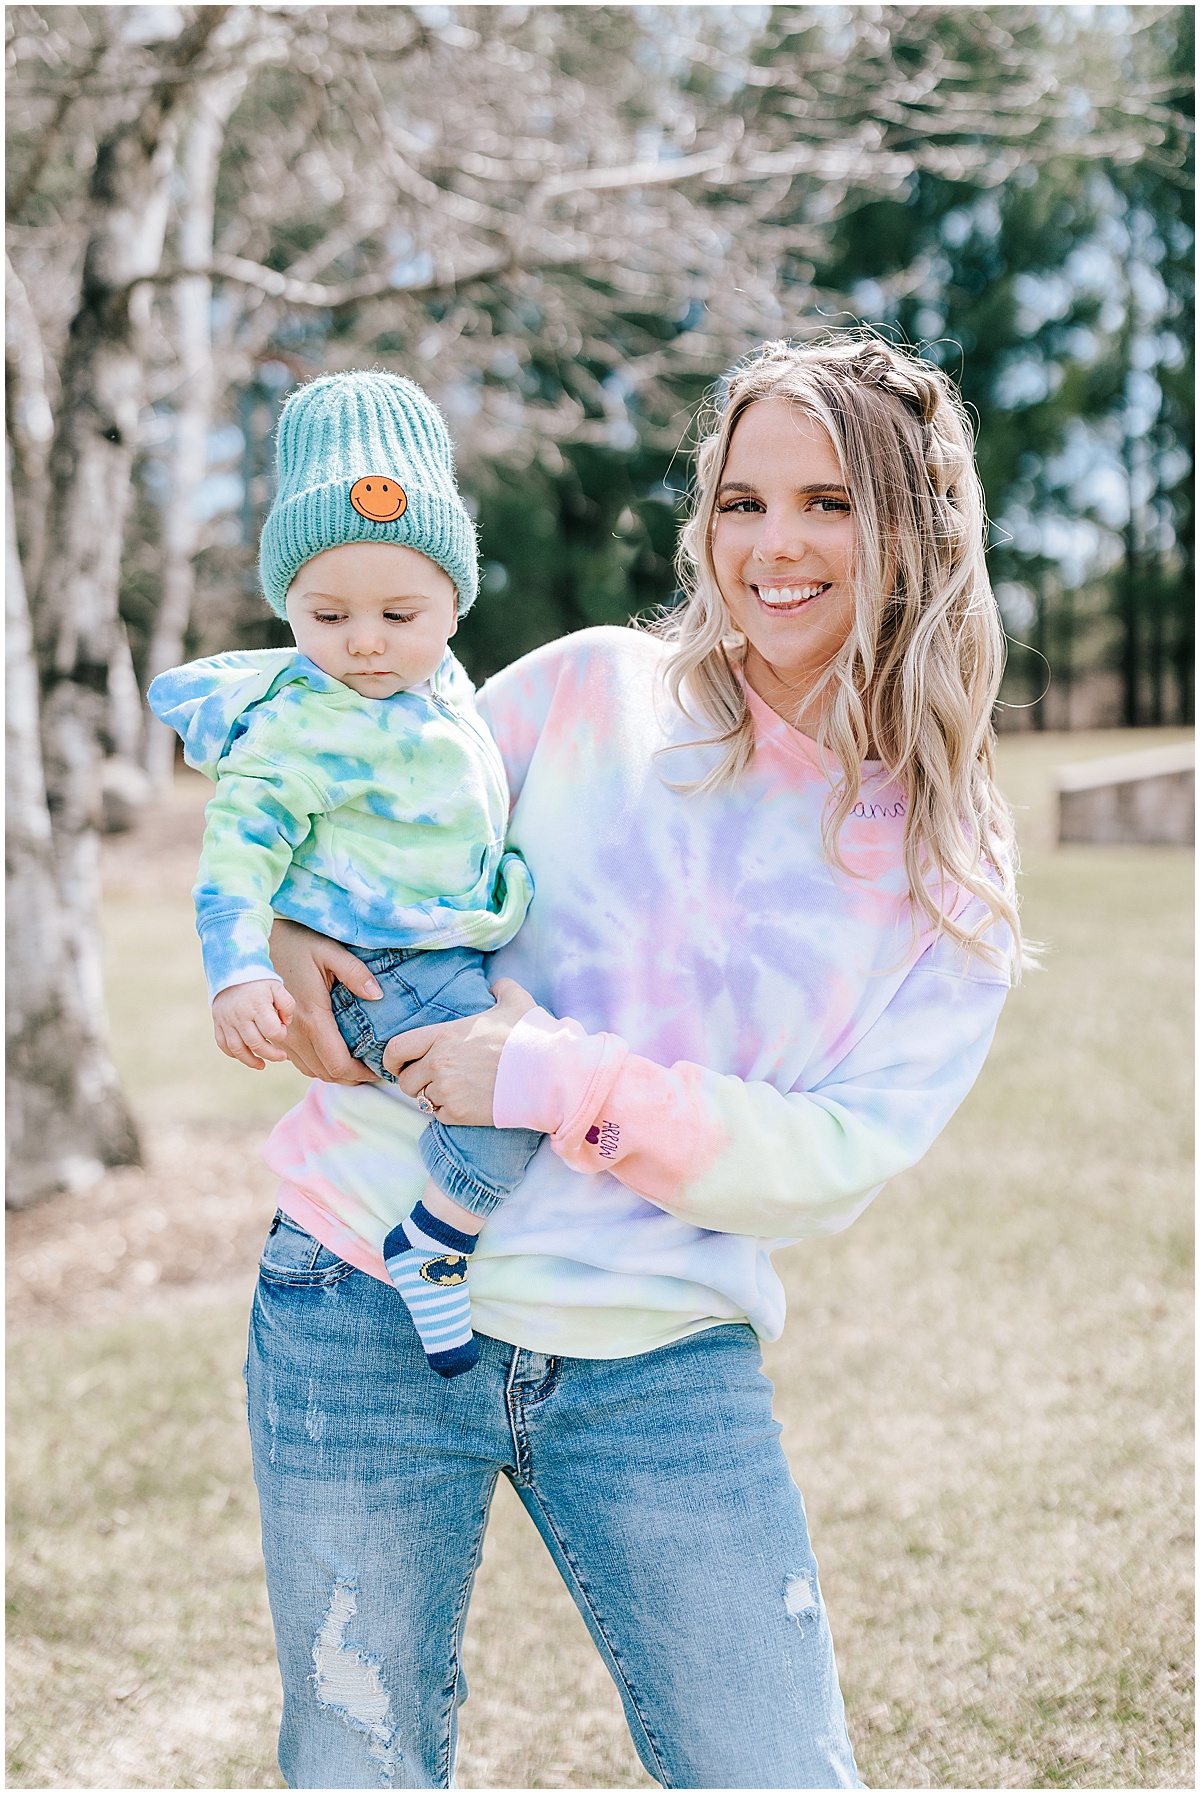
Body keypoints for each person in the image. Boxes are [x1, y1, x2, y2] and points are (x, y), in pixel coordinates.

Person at [249, 333, 1021, 1790]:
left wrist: (555, 1078)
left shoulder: (948, 857)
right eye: (742, 501)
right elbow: (362, 823)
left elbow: (831, 1157)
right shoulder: (593, 688)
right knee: (356, 1760)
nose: (774, 545)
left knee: (773, 1767)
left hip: (660, 1352)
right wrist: (288, 924)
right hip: (357, 1292)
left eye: (829, 502)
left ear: (917, 525)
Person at [148, 371, 544, 1377]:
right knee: (515, 1104)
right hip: (384, 967)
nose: (364, 643)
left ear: (454, 604)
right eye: (327, 618)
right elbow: (235, 857)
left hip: (443, 946)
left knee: (533, 1081)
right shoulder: (299, 727)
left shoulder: (443, 688)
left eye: (399, 614)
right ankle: (432, 1245)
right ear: (289, 607)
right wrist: (241, 971)